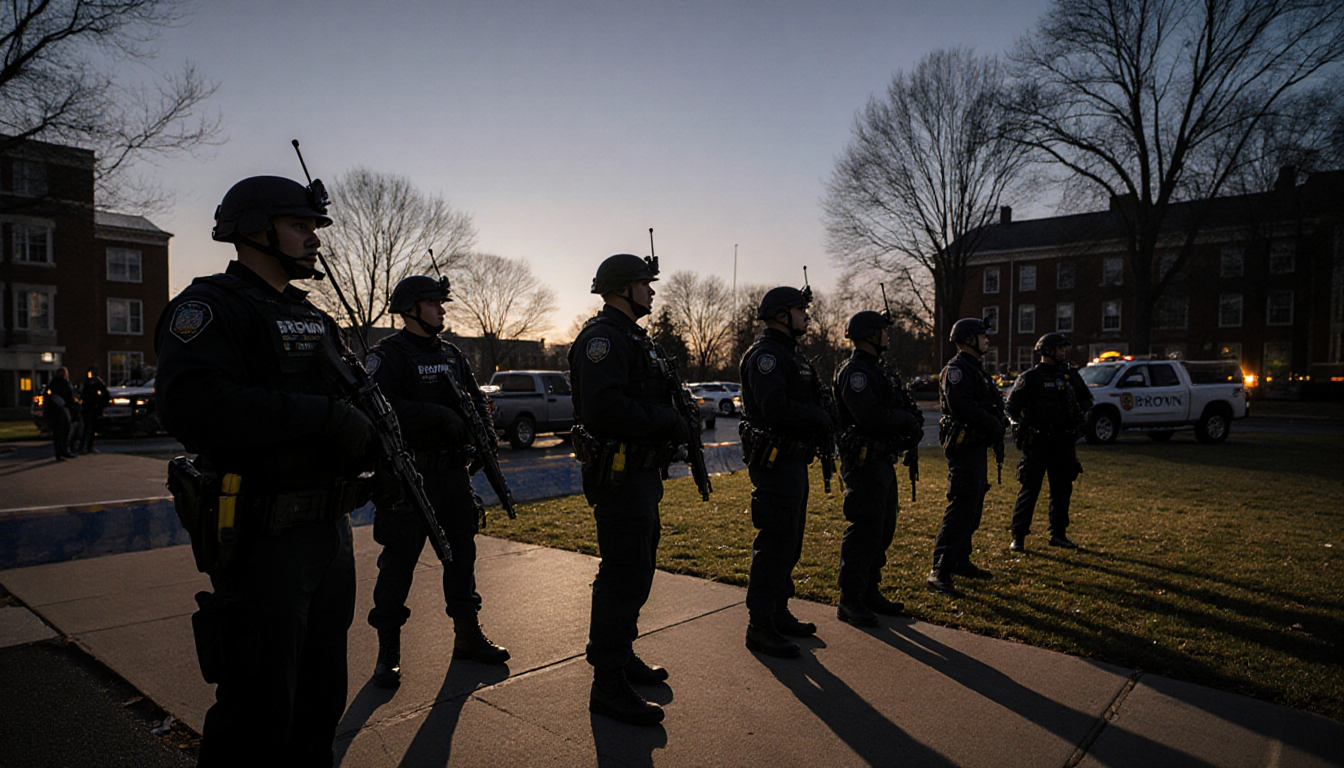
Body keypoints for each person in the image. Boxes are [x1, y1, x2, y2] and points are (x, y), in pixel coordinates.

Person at [155, 175, 378, 767]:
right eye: (300, 226)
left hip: (329, 536)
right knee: (257, 710)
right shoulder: (209, 308)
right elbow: (194, 406)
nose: (313, 239)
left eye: (313, 228)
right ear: (255, 229)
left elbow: (357, 406)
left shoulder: (314, 318)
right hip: (262, 538)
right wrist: (327, 418)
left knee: (320, 700)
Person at [365, 274, 509, 689]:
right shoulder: (388, 355)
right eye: (434, 303)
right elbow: (377, 405)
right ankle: (387, 651)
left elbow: (474, 398)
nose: (442, 311)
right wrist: (437, 416)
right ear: (411, 308)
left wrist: (482, 432)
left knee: (462, 557)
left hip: (452, 475)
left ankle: (467, 636)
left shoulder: (451, 354)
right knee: (398, 564)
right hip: (410, 477)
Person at [569, 252, 686, 727]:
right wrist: (668, 421)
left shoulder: (635, 339)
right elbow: (605, 409)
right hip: (618, 477)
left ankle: (622, 655)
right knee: (622, 574)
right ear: (623, 288)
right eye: (644, 283)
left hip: (639, 475)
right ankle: (607, 684)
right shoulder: (602, 340)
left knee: (638, 570)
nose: (652, 291)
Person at [738, 285, 833, 658]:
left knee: (790, 541)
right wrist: (820, 417)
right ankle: (759, 626)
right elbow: (774, 406)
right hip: (775, 463)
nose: (806, 315)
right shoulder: (768, 357)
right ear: (781, 315)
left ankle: (778, 611)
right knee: (775, 542)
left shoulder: (791, 357)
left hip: (794, 462)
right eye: (800, 309)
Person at [833, 311, 923, 626]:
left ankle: (870, 590)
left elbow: (897, 406)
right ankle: (850, 599)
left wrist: (910, 422)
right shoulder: (856, 371)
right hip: (863, 462)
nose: (888, 336)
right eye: (883, 331)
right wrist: (904, 421)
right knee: (865, 528)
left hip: (882, 460)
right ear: (870, 334)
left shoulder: (879, 370)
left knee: (882, 528)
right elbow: (869, 416)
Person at [927, 318, 1006, 597]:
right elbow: (962, 406)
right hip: (964, 450)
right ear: (970, 339)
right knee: (961, 510)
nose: (987, 340)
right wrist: (992, 424)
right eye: (983, 336)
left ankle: (960, 561)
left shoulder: (976, 371)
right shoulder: (958, 370)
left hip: (977, 448)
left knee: (972, 510)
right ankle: (940, 570)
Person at [1006, 333, 1094, 551]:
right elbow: (1012, 408)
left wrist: (1079, 417)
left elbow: (1086, 400)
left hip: (1063, 443)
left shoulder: (1070, 376)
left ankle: (1058, 533)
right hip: (1036, 443)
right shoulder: (1031, 378)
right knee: (1029, 490)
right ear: (1048, 351)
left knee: (1062, 489)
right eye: (1059, 349)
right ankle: (1018, 535)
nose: (1063, 353)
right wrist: (1018, 425)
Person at [42, 367, 77, 461]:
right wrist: (73, 404)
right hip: (62, 409)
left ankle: (59, 452)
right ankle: (65, 450)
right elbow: (69, 396)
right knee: (66, 430)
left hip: (53, 411)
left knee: (57, 433)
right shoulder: (64, 383)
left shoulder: (52, 383)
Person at [78, 365, 111, 454]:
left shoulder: (96, 383)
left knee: (90, 428)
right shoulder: (87, 383)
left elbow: (106, 395)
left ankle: (86, 447)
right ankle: (85, 447)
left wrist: (100, 404)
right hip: (89, 407)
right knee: (87, 428)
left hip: (93, 407)